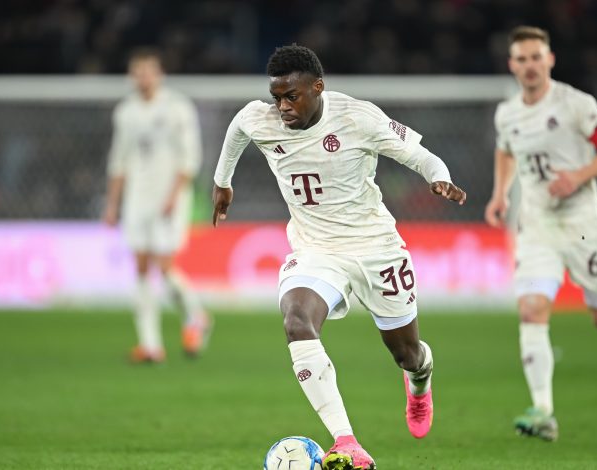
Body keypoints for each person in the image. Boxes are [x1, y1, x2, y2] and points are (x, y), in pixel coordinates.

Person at [212, 44, 466, 469]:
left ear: (317, 87)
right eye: (276, 97)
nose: (282, 107)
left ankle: (420, 380)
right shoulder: (261, 118)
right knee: (296, 320)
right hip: (316, 250)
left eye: (291, 96)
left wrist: (439, 177)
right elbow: (238, 129)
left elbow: (420, 156)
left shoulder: (357, 117)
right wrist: (223, 182)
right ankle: (346, 441)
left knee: (406, 353)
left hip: (376, 248)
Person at [485, 26, 597, 441]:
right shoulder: (507, 113)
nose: (530, 65)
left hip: (582, 225)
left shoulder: (576, 104)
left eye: (536, 57)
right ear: (512, 65)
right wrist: (500, 193)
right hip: (537, 223)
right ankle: (544, 411)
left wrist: (578, 176)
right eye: (522, 59)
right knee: (531, 309)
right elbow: (505, 150)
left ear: (550, 60)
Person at [103, 48, 211, 363]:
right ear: (131, 76)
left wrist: (174, 196)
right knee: (140, 266)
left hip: (169, 198)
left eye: (149, 71)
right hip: (137, 198)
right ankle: (150, 345)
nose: (144, 77)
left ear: (160, 74)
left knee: (164, 267)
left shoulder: (178, 108)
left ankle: (196, 316)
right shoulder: (126, 112)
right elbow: (119, 160)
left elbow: (190, 157)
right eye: (138, 71)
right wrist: (112, 203)